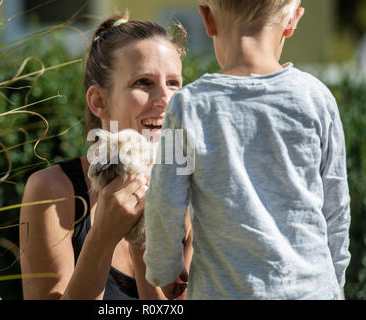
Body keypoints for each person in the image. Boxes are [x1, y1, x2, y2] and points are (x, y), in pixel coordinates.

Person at [143, 0, 351, 300]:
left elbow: (165, 203)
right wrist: (334, 281)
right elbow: (336, 207)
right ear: (293, 20)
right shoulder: (316, 98)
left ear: (207, 18)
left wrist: (163, 271)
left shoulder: (189, 106)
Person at [19, 14, 193, 300]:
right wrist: (102, 236)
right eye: (144, 82)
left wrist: (140, 247)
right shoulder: (53, 191)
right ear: (99, 101)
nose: (165, 98)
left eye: (174, 83)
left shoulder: (191, 199)